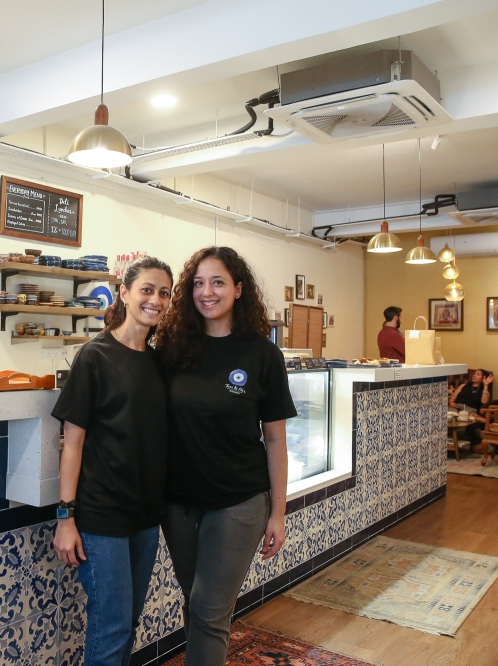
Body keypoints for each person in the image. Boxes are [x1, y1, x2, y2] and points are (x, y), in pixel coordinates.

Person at [155, 247, 297, 665]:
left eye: (217, 282)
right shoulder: (172, 350)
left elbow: (275, 441)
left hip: (239, 501)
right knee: (196, 604)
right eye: (198, 283)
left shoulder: (261, 355)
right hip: (178, 502)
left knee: (208, 611)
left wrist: (278, 512)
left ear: (238, 289)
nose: (207, 292)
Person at [51, 256, 174, 666]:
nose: (155, 300)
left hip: (145, 517)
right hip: (101, 517)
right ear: (124, 293)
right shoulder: (94, 356)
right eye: (146, 290)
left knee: (128, 622)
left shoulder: (160, 362)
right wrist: (65, 518)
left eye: (163, 293)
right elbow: (72, 442)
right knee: (112, 627)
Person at [450, 368, 494, 447]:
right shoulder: (463, 386)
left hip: (470, 409)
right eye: (474, 374)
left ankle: (459, 439)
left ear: (483, 378)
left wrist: (486, 385)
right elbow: (452, 398)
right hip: (457, 406)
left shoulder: (484, 391)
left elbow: (484, 402)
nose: (474, 375)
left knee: (464, 417)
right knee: (450, 415)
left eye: (478, 374)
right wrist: (451, 403)